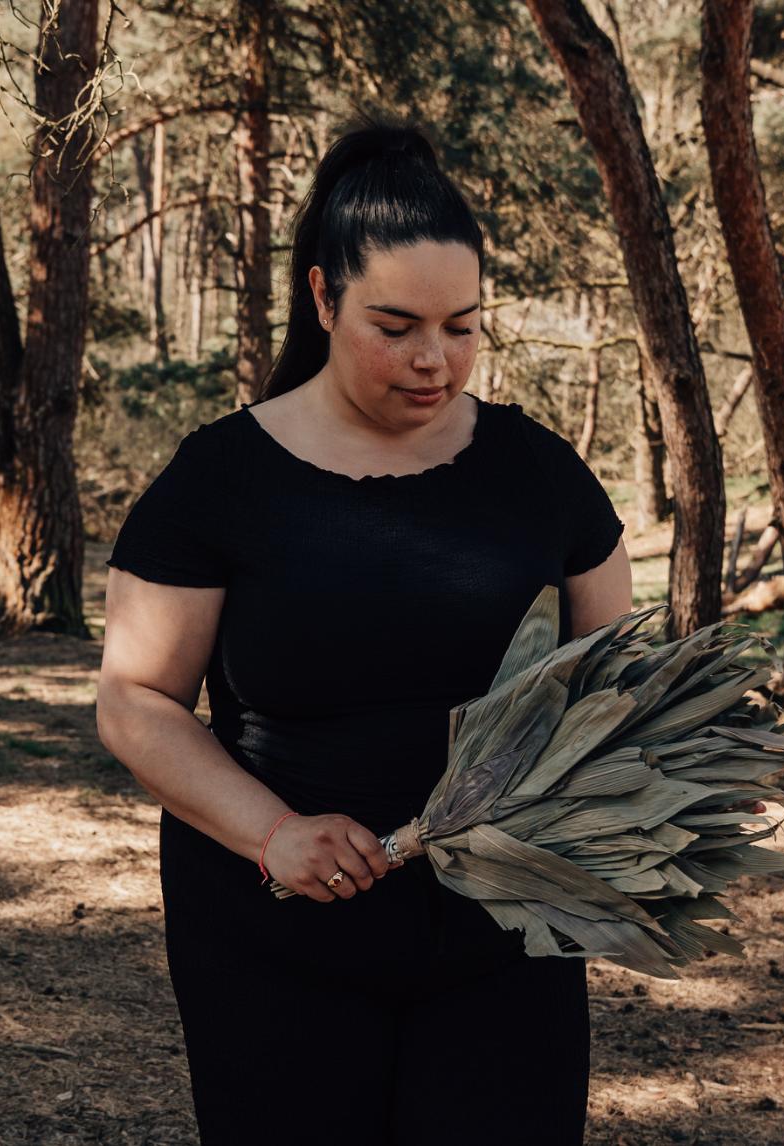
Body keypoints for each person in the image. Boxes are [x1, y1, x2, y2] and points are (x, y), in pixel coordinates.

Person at [94, 119, 632, 1145]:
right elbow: (135, 701)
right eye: (396, 326)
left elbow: (616, 679)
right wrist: (272, 835)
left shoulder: (542, 474)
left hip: (505, 936)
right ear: (322, 297)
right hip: (276, 932)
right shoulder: (217, 481)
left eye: (463, 326)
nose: (435, 361)